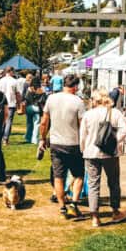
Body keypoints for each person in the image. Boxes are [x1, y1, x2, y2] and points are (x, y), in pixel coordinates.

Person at [80, 89, 126, 229]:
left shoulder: (88, 114)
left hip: (91, 152)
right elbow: (124, 131)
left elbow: (83, 135)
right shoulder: (115, 113)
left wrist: (83, 149)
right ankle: (115, 211)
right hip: (110, 153)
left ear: (95, 100)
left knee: (93, 184)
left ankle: (95, 217)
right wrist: (114, 142)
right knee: (113, 182)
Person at [40, 73, 85, 218]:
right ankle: (74, 204)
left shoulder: (51, 98)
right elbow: (82, 125)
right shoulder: (78, 101)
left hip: (56, 142)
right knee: (78, 175)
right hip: (73, 143)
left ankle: (62, 207)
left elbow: (44, 121)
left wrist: (43, 138)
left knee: (59, 176)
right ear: (75, 86)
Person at [0, 67, 20, 146]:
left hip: (1, 103)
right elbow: (17, 93)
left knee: (1, 121)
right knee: (8, 121)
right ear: (11, 72)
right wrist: (18, 103)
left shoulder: (0, 81)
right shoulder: (14, 81)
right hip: (11, 103)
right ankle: (5, 139)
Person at [24, 77, 45, 144]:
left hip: (29, 107)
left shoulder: (29, 89)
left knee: (29, 123)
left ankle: (28, 138)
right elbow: (43, 100)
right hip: (37, 108)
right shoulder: (41, 90)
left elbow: (26, 98)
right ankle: (35, 140)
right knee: (37, 124)